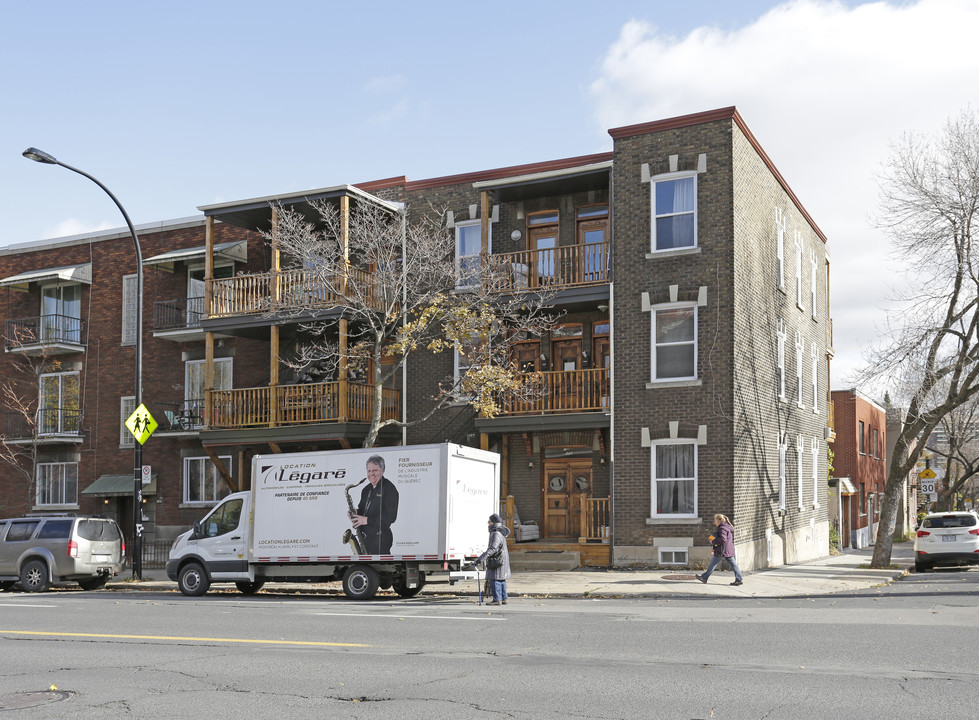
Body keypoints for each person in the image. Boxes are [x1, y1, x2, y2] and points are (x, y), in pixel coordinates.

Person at [349, 455, 399, 554]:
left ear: (383, 470)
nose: (371, 474)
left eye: (375, 470)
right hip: (366, 538)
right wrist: (355, 512)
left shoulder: (389, 489)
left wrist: (367, 520)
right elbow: (363, 510)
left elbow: (390, 517)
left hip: (380, 539)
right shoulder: (366, 489)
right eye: (369, 471)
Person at [696, 513, 744, 586]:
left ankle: (704, 577)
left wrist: (713, 541)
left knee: (713, 564)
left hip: (722, 550)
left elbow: (722, 539)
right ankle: (739, 579)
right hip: (728, 549)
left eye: (715, 520)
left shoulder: (722, 528)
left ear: (719, 521)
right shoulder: (727, 527)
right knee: (734, 565)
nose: (714, 522)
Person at [476, 513, 511, 605]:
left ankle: (497, 600)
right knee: (501, 579)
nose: (488, 523)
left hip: (497, 560)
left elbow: (493, 548)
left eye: (489, 521)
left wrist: (481, 558)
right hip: (502, 559)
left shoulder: (496, 533)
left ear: (493, 522)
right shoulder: (500, 532)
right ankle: (504, 598)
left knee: (495, 579)